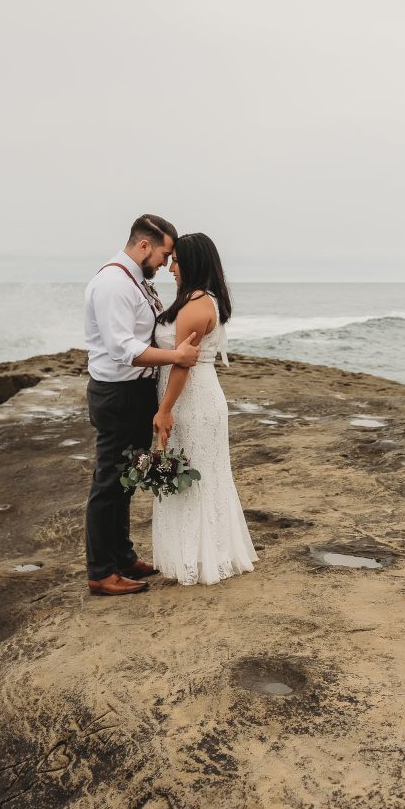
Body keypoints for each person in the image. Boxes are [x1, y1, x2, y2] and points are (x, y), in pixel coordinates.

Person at [84, 214, 200, 597]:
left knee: (126, 480)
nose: (167, 264)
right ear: (144, 245)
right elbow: (122, 350)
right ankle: (101, 572)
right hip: (117, 395)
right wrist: (177, 357)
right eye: (165, 255)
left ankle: (122, 555)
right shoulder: (114, 283)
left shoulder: (135, 281)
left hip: (135, 394)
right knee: (108, 484)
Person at [152, 233, 258, 585]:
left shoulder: (197, 305)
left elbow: (183, 364)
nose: (170, 267)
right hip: (194, 395)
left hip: (192, 399)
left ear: (193, 263)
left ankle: (200, 558)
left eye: (177, 260)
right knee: (198, 473)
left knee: (197, 477)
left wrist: (164, 410)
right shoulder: (200, 299)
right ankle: (199, 554)